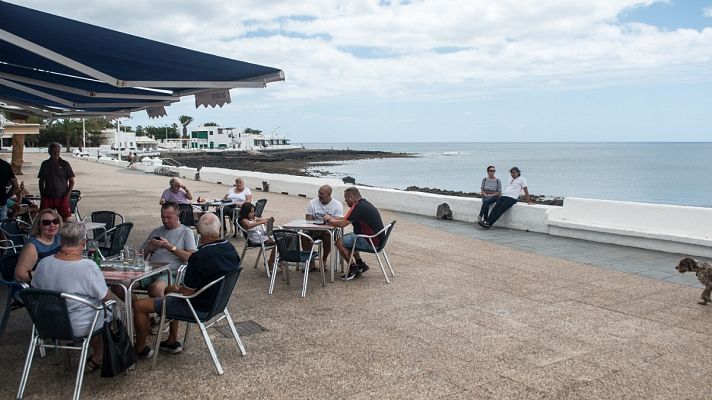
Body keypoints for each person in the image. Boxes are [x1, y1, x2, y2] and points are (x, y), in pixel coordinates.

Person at [132, 213, 241, 357]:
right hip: (218, 302)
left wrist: (175, 290)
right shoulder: (229, 248)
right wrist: (173, 289)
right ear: (219, 228)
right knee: (170, 289)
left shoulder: (199, 257)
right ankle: (172, 340)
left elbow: (186, 293)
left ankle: (140, 349)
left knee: (139, 305)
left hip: (197, 306)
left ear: (199, 231)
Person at [31, 222, 111, 372]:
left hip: (47, 324)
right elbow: (105, 296)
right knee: (110, 309)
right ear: (84, 243)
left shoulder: (43, 263)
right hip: (77, 325)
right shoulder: (87, 266)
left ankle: (87, 355)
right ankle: (98, 356)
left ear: (60, 241)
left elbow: (34, 290)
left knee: (95, 309)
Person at [323, 187, 384, 281]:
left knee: (340, 242)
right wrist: (334, 218)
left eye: (346, 199)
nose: (345, 201)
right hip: (377, 240)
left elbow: (342, 224)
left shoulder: (357, 207)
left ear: (351, 197)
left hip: (371, 242)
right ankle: (360, 264)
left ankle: (353, 269)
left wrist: (329, 220)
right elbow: (346, 218)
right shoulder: (363, 204)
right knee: (350, 239)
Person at [140, 202, 197, 298]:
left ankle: (163, 311)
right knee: (120, 286)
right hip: (151, 271)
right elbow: (139, 257)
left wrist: (169, 247)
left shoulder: (186, 232)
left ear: (177, 215)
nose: (165, 220)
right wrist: (148, 249)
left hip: (171, 272)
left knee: (155, 289)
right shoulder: (157, 231)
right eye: (163, 217)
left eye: (169, 217)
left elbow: (192, 258)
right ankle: (139, 309)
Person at [14, 209, 63, 283]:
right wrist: (47, 274)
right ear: (39, 226)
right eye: (46, 223)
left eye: (55, 222)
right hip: (40, 286)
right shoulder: (32, 246)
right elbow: (20, 275)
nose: (52, 225)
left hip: (57, 280)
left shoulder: (59, 238)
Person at [302, 185, 344, 267]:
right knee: (304, 235)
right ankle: (311, 262)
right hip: (314, 229)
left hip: (329, 231)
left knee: (327, 235)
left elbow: (338, 221)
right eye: (318, 193)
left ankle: (324, 259)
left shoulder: (337, 205)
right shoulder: (313, 203)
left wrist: (329, 220)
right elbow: (308, 220)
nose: (319, 195)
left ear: (329, 194)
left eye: (321, 193)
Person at [38, 142, 75, 221]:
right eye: (53, 151)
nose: (56, 153)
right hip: (48, 197)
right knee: (44, 218)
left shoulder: (65, 164)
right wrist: (42, 195)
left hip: (62, 197)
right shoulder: (45, 164)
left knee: (67, 219)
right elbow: (41, 181)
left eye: (57, 151)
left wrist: (68, 195)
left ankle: (65, 233)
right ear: (49, 151)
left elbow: (71, 181)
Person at [238, 202, 275, 266]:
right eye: (251, 212)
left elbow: (263, 219)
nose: (254, 213)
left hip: (261, 236)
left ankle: (277, 261)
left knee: (282, 241)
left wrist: (269, 219)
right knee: (279, 243)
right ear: (246, 212)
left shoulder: (253, 218)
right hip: (256, 238)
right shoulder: (244, 220)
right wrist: (261, 222)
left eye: (254, 211)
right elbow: (249, 226)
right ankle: (271, 263)